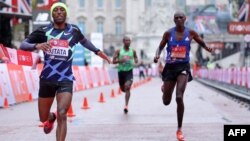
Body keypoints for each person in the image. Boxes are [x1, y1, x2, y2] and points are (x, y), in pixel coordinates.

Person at [20, 2, 111, 141]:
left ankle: (58, 121)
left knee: (63, 113)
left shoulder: (74, 30)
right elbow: (23, 45)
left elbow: (84, 41)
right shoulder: (44, 30)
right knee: (43, 117)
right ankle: (51, 118)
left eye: (62, 10)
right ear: (52, 14)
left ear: (66, 13)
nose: (59, 12)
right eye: (55, 10)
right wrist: (37, 45)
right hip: (47, 79)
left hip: (65, 79)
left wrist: (98, 52)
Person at [153, 11, 212, 141]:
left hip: (183, 67)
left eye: (181, 17)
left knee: (179, 97)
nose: (179, 19)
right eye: (176, 18)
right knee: (166, 102)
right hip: (170, 68)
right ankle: (165, 88)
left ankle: (179, 129)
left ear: (185, 19)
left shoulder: (191, 33)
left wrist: (207, 48)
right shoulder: (168, 33)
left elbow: (200, 41)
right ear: (174, 20)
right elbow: (160, 47)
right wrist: (157, 55)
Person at [112, 36, 138, 114]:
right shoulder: (118, 51)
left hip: (129, 71)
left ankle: (126, 105)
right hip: (121, 72)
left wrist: (136, 61)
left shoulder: (133, 51)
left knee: (127, 87)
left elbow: (136, 58)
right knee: (123, 89)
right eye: (127, 41)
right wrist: (120, 60)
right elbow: (113, 61)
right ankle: (124, 90)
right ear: (123, 41)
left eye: (129, 41)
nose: (128, 42)